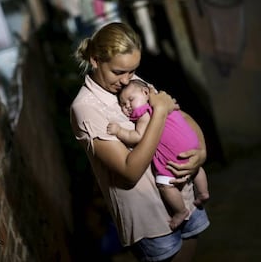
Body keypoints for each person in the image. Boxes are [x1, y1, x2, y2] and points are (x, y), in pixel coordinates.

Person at [70, 22, 210, 262]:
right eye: (118, 72)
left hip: (183, 195)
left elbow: (179, 116)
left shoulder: (133, 80)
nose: (126, 80)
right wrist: (160, 113)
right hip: (151, 219)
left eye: (132, 71)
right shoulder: (85, 108)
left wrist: (202, 151)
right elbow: (130, 170)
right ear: (95, 60)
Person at [107, 79, 210, 230]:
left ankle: (180, 211)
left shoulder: (144, 112)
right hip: (190, 143)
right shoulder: (161, 101)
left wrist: (119, 131)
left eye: (130, 100)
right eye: (123, 105)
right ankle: (203, 192)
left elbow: (138, 136)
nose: (127, 106)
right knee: (196, 168)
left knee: (164, 184)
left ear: (145, 93)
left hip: (173, 154)